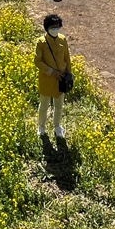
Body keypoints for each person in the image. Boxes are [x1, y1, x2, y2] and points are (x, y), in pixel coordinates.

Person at [34, 13, 71, 142]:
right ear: (47, 28)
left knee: (59, 106)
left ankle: (57, 126)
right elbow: (38, 61)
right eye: (53, 27)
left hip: (61, 79)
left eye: (57, 27)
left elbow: (67, 58)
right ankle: (41, 127)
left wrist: (69, 73)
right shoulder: (41, 42)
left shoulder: (62, 39)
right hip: (47, 79)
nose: (55, 29)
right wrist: (51, 72)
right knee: (44, 105)